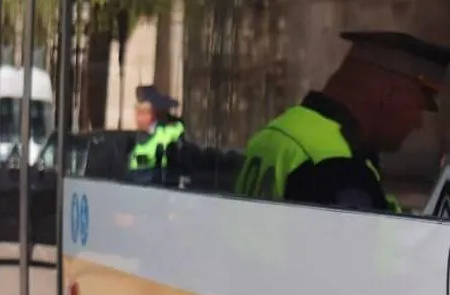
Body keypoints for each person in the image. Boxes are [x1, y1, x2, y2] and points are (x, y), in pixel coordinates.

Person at [234, 30, 450, 212]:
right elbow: (351, 257)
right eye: (419, 107)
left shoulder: (285, 130)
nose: (418, 122)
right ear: (388, 93)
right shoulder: (337, 168)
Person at [127, 84, 185, 172]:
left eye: (143, 112)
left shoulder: (169, 131)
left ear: (155, 113)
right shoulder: (138, 138)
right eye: (137, 112)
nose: (138, 117)